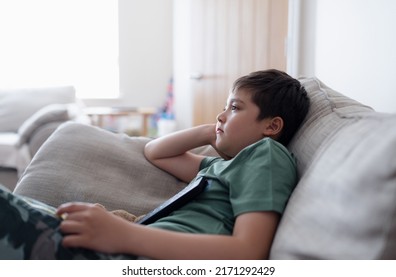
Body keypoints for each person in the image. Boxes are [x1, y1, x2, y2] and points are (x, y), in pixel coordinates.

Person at [0, 69, 310, 260]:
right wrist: (208, 131)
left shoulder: (266, 155)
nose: (221, 114)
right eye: (223, 107)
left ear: (271, 127)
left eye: (235, 107)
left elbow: (248, 253)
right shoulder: (224, 166)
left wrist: (123, 234)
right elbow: (156, 152)